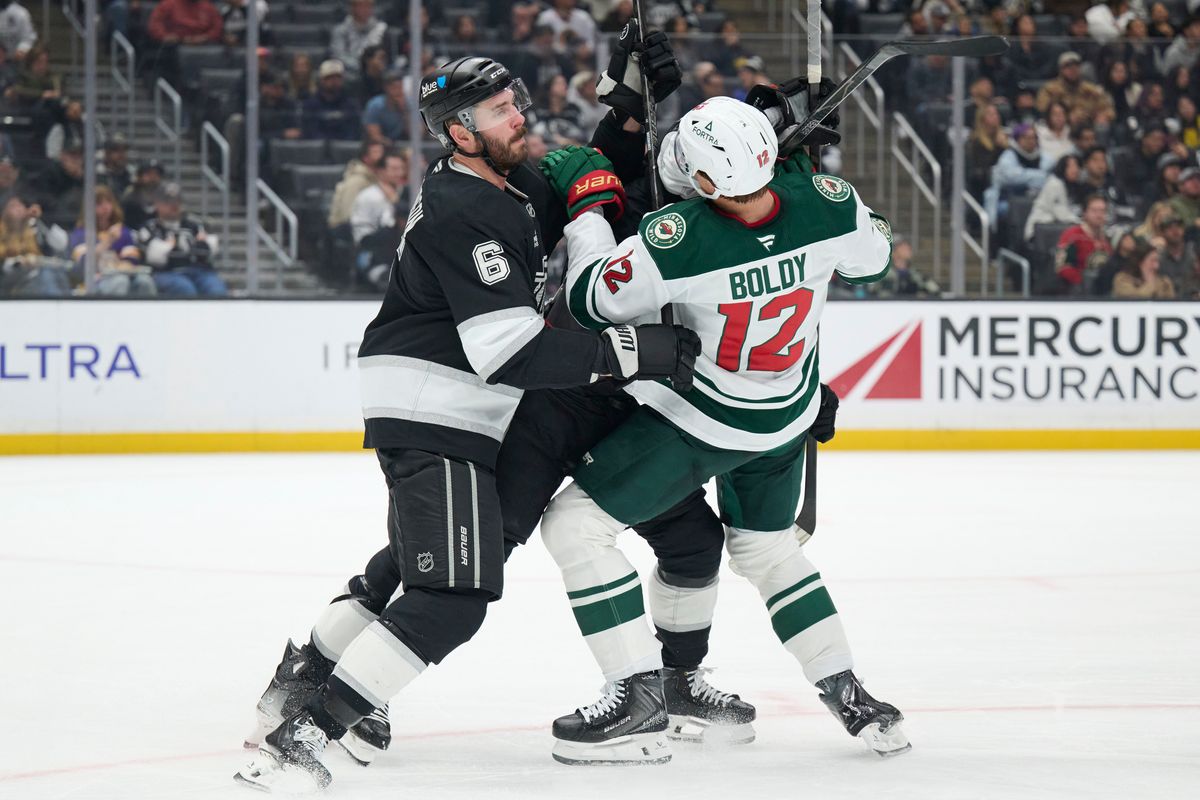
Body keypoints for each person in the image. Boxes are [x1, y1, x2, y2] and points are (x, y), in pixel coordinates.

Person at [234, 55, 700, 793]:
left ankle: (302, 680)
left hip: (435, 406)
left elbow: (578, 182)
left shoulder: (498, 190)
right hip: (436, 409)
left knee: (411, 565)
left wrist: (628, 112)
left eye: (515, 98)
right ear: (460, 133)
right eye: (500, 109)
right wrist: (634, 350)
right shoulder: (466, 208)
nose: (519, 113)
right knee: (453, 595)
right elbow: (509, 349)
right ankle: (307, 733)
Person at [535, 96, 908, 765]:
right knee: (767, 552)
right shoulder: (831, 199)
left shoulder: (678, 241)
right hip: (784, 417)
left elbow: (589, 299)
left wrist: (589, 207)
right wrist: (800, 175)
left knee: (573, 526)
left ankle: (638, 695)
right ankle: (853, 699)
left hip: (706, 421)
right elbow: (871, 257)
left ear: (708, 184)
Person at [136, 182, 227, 296]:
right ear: (157, 204)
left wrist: (171, 247)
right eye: (167, 201)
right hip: (166, 273)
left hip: (201, 271)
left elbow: (210, 251)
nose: (174, 205)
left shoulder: (196, 224)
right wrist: (193, 247)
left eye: (177, 200)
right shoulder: (148, 228)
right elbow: (155, 258)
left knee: (216, 289)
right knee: (185, 289)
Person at [68, 185, 154, 296]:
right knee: (120, 281)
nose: (105, 207)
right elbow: (83, 266)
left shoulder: (123, 232)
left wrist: (126, 265)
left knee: (144, 281)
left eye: (108, 202)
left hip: (123, 276)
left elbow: (133, 259)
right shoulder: (80, 234)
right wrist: (108, 241)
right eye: (99, 204)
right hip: (94, 283)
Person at [349, 147, 408, 287]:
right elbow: (361, 236)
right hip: (373, 248)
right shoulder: (369, 196)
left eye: (401, 168)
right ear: (381, 171)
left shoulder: (407, 192)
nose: (399, 173)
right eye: (394, 169)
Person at [1036, 51, 1116, 129]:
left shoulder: (1091, 89)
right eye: (1068, 67)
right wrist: (1066, 117)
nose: (1073, 70)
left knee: (1102, 127)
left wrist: (1104, 115)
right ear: (1061, 70)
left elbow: (1108, 108)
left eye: (1076, 66)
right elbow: (1042, 109)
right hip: (1062, 127)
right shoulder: (1050, 89)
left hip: (1088, 128)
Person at [1055, 193, 1112, 293]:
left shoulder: (1108, 237)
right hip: (1079, 292)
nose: (1099, 215)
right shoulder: (1073, 235)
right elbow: (1062, 267)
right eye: (1094, 211)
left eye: (1103, 211)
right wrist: (1083, 282)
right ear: (1085, 213)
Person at [1025, 154, 1085, 240]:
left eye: (1077, 166)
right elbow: (1061, 213)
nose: (1075, 170)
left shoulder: (1074, 186)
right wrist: (1082, 222)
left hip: (1058, 226)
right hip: (1040, 229)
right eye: (1070, 166)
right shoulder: (1055, 184)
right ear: (1062, 168)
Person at [328, 139, 384, 229]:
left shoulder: (379, 179)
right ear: (365, 158)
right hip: (346, 229)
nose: (381, 155)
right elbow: (347, 214)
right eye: (376, 152)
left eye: (382, 151)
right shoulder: (356, 181)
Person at [301, 60, 361, 142]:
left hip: (344, 150)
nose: (334, 81)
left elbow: (353, 131)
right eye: (330, 78)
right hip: (317, 150)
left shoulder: (350, 104)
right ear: (322, 80)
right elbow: (310, 131)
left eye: (338, 77)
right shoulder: (310, 104)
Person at [329, 0, 386, 77]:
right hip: (349, 73)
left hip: (375, 71)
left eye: (368, 6)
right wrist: (362, 65)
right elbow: (339, 56)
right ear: (352, 8)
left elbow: (384, 54)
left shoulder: (381, 29)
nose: (364, 9)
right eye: (360, 6)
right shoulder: (340, 30)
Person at [1112, 240, 1176, 298]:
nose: (1156, 266)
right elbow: (1134, 302)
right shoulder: (1122, 280)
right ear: (1140, 263)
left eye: (1157, 261)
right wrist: (1150, 283)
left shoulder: (1165, 283)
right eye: (1152, 261)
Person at [361, 68, 407, 144]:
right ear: (386, 88)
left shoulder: (410, 103)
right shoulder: (375, 105)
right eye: (394, 88)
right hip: (380, 146)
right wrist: (392, 146)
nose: (398, 91)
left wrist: (404, 110)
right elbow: (374, 136)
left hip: (405, 145)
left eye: (400, 87)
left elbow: (418, 134)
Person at [122, 160, 165, 230]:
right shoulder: (131, 196)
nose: (153, 177)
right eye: (149, 173)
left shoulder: (165, 196)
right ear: (139, 176)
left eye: (156, 174)